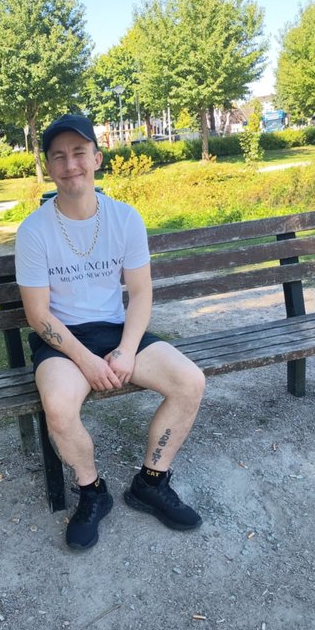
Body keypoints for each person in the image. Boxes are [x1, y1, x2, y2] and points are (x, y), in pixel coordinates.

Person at [15, 114, 205, 551]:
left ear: (97, 159)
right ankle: (92, 491)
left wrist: (126, 350)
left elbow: (140, 294)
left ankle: (151, 483)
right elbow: (38, 315)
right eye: (59, 157)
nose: (70, 165)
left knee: (190, 382)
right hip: (62, 340)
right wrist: (86, 360)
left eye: (79, 153)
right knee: (59, 407)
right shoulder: (34, 231)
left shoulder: (125, 219)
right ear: (49, 167)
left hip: (118, 332)